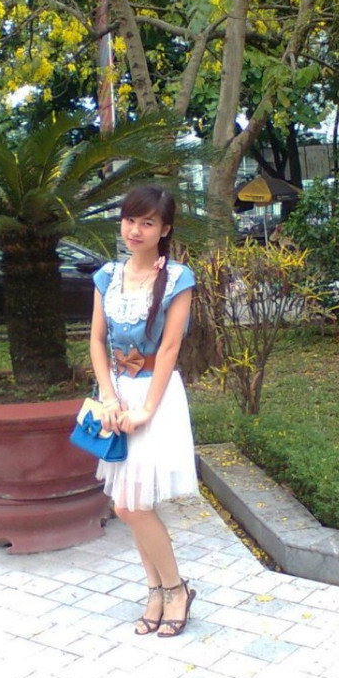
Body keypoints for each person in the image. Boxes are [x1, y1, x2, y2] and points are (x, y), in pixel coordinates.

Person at [90, 184, 199, 637]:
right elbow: (96, 341)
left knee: (130, 504)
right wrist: (108, 397)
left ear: (164, 229)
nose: (135, 230)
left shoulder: (177, 279)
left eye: (147, 222)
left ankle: (175, 589)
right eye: (130, 220)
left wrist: (147, 409)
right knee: (128, 503)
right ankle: (156, 590)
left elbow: (170, 348)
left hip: (156, 394)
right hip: (118, 395)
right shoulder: (107, 276)